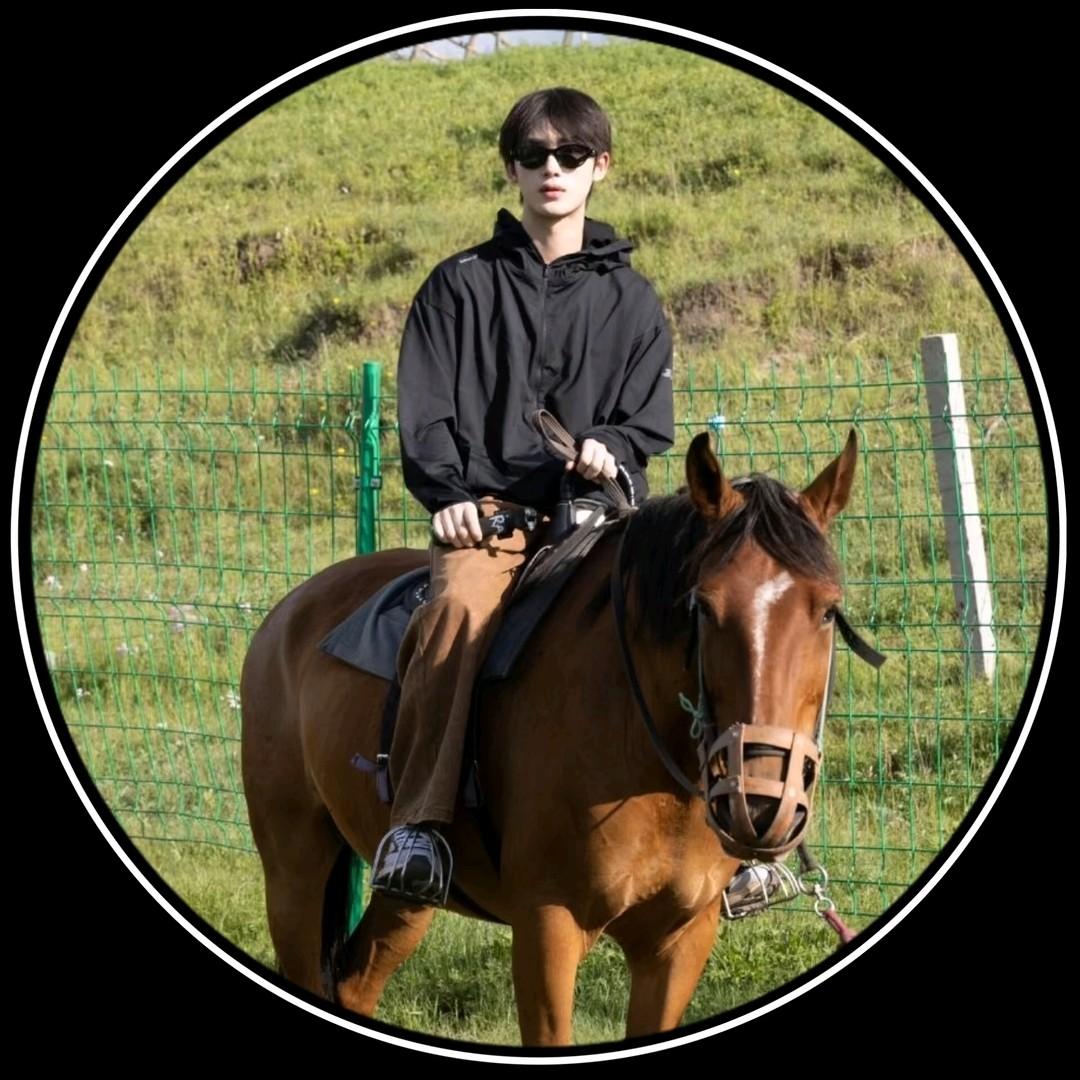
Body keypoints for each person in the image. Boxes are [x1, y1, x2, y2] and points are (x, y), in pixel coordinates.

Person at [369, 87, 675, 906]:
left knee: (702, 610)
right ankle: (418, 828)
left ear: (600, 167)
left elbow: (647, 420)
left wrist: (612, 445)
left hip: (600, 520)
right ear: (512, 168)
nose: (552, 169)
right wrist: (447, 493)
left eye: (570, 155)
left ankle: (739, 844)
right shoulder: (456, 286)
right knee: (456, 614)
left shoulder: (634, 300)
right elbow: (425, 411)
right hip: (489, 520)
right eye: (534, 155)